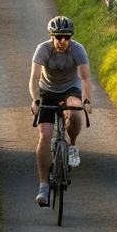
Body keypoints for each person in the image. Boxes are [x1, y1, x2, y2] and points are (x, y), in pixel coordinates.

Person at [29, 15, 92, 206]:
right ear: (52, 36)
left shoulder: (78, 50)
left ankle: (72, 145)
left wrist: (86, 99)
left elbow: (85, 78)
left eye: (66, 37)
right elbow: (34, 78)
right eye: (58, 37)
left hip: (70, 89)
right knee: (45, 136)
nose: (62, 41)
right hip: (47, 91)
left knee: (74, 110)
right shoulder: (43, 49)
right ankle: (43, 186)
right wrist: (36, 100)